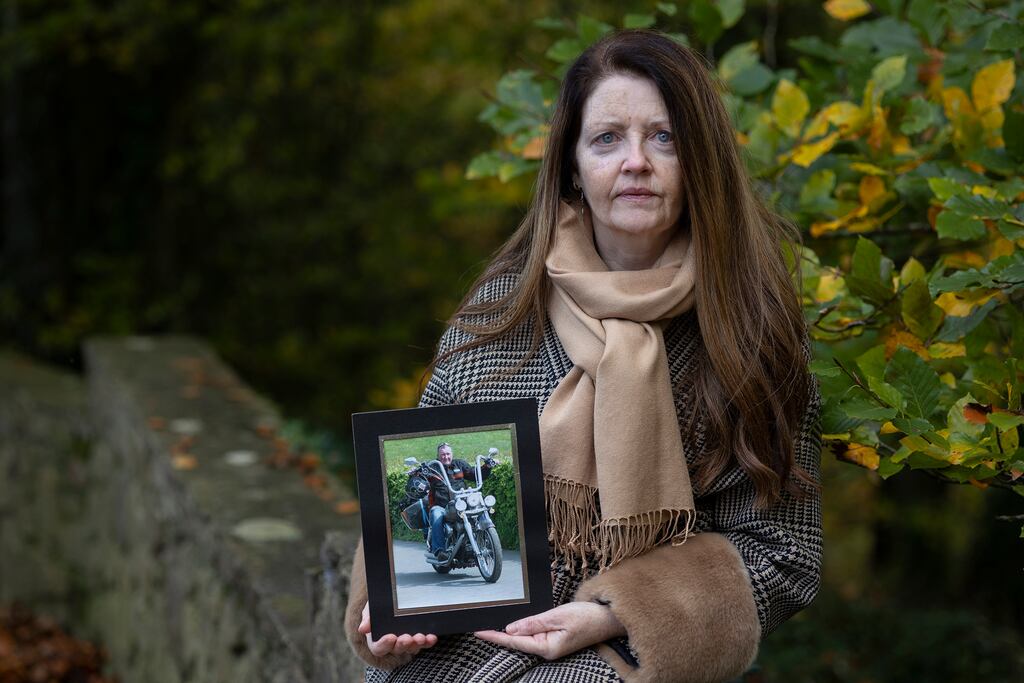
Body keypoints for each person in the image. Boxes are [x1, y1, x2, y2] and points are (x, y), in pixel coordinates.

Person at [344, 29, 822, 683]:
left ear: (701, 160)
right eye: (607, 139)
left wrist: (611, 612)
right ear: (572, 164)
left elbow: (785, 551)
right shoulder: (500, 313)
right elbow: (413, 491)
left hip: (621, 653)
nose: (636, 162)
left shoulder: (750, 330)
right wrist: (391, 617)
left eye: (665, 138)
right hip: (463, 644)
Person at [420, 442, 497, 560]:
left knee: (480, 508)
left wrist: (487, 466)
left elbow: (474, 474)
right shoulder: (432, 468)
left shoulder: (459, 465)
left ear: (452, 454)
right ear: (438, 455)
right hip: (441, 506)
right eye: (443, 454)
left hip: (462, 503)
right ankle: (439, 550)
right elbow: (421, 481)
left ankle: (485, 541)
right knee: (436, 514)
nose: (446, 457)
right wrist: (418, 473)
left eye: (448, 454)